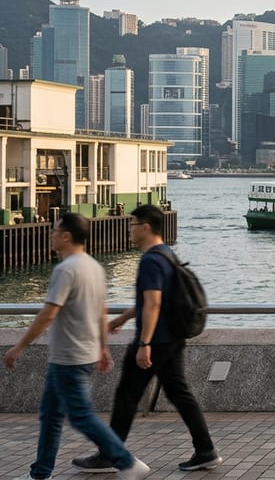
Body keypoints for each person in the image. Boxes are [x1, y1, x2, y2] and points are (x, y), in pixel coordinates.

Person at [73, 204, 222, 473]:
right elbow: (150, 301)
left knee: (126, 396)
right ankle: (205, 450)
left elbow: (153, 303)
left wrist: (144, 343)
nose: (129, 229)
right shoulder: (167, 254)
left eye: (132, 224)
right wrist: (123, 318)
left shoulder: (151, 259)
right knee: (179, 394)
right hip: (173, 337)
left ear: (145, 227)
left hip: (157, 341)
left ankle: (110, 454)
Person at [2, 212, 151, 480]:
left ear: (67, 236)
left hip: (69, 357)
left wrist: (19, 346)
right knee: (50, 416)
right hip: (78, 354)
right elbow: (100, 311)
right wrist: (103, 348)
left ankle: (127, 462)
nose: (51, 234)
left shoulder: (66, 269)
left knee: (80, 416)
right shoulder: (94, 267)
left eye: (55, 230)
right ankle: (40, 473)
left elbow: (48, 313)